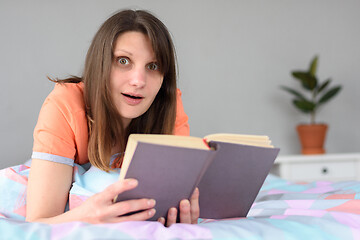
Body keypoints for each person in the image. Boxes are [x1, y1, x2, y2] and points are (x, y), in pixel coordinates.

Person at [25, 9, 199, 226]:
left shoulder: (169, 105)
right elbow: (38, 221)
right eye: (123, 61)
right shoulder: (65, 104)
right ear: (100, 64)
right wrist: (87, 217)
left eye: (153, 66)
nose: (138, 81)